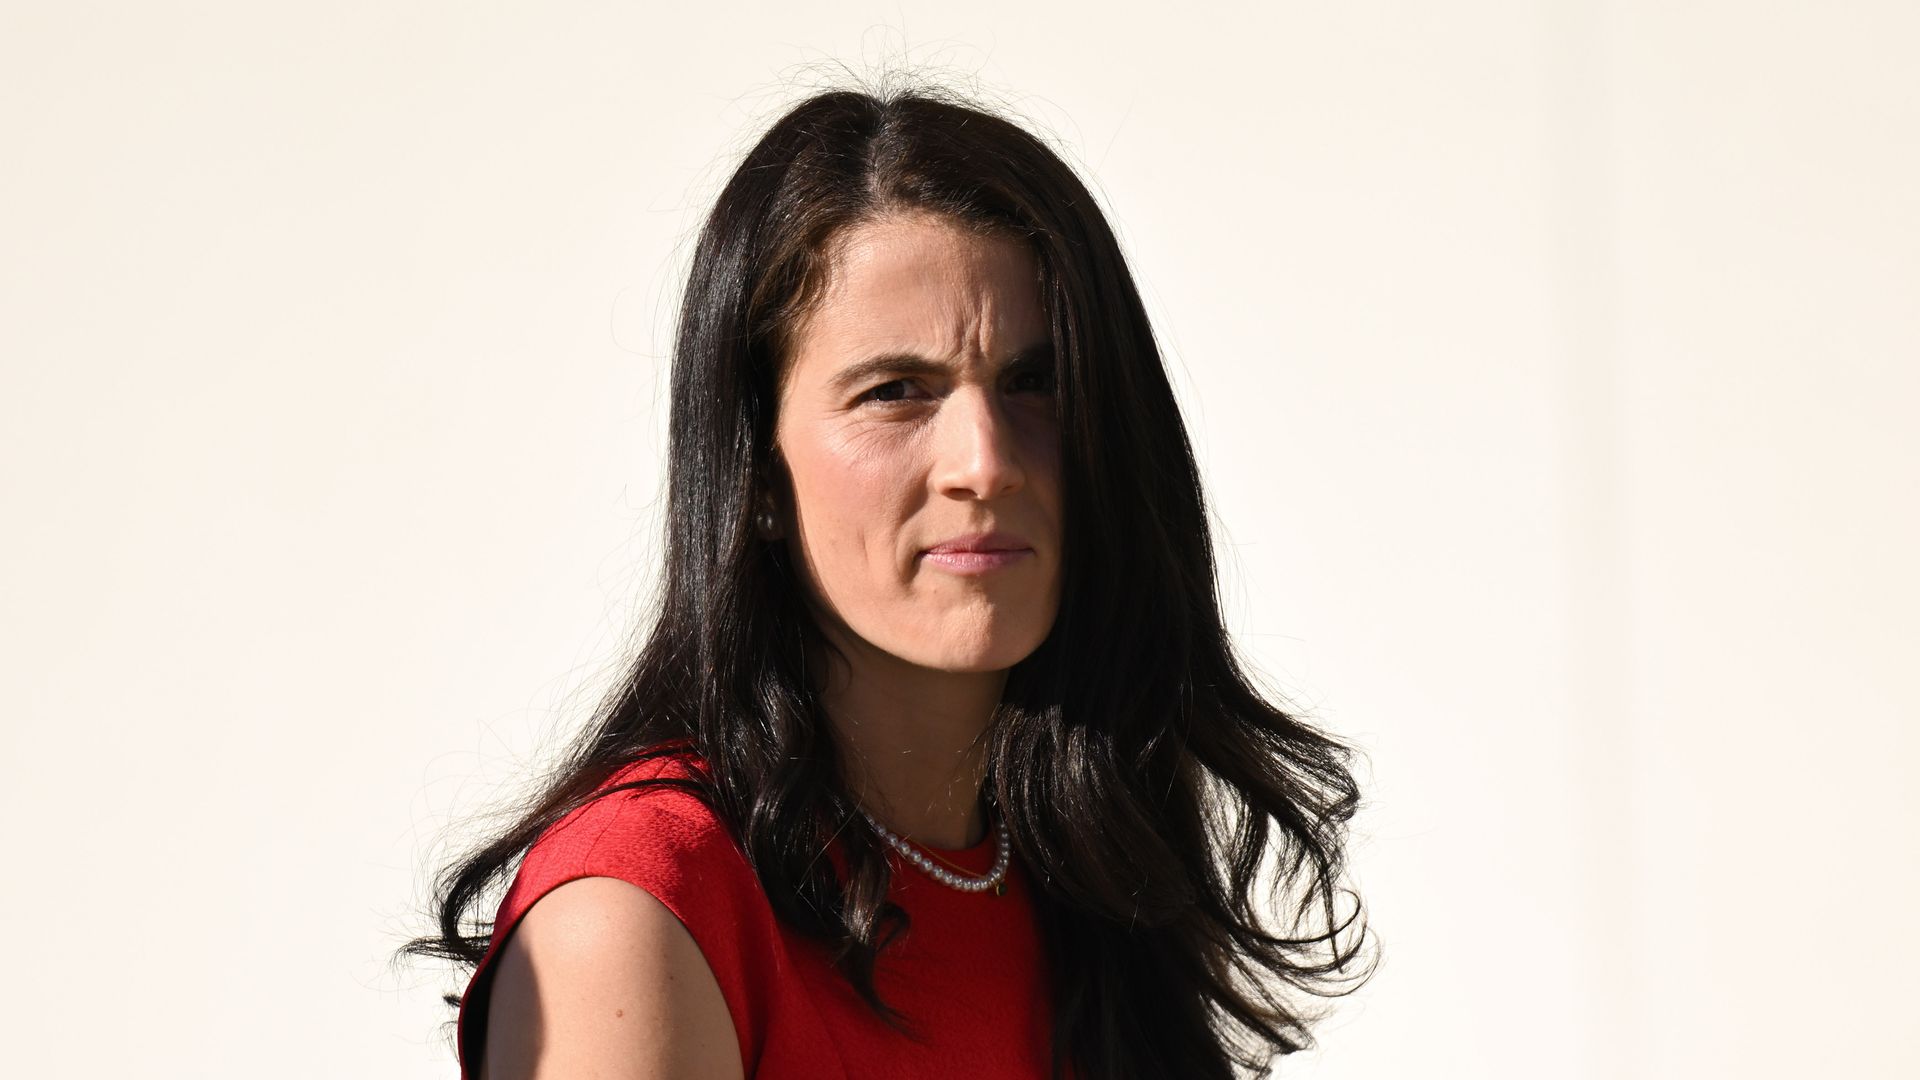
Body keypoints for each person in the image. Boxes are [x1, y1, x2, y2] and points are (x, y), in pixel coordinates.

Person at [402, 81, 1373, 1080]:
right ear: (756, 476)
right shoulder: (646, 906)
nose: (985, 463)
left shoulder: (1083, 873)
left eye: (1035, 383)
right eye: (896, 393)